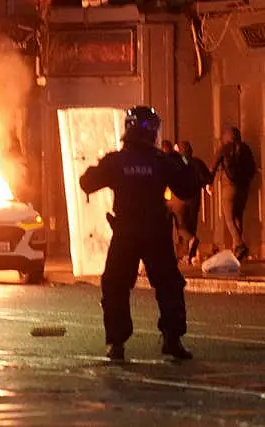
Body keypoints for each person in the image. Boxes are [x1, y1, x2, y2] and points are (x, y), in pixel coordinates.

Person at [79, 106, 198, 361]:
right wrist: (184, 161)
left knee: (115, 285)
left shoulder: (116, 161)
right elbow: (188, 188)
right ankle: (172, 338)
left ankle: (116, 343)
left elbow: (86, 182)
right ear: (153, 131)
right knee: (168, 285)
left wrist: (100, 166)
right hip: (156, 232)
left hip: (126, 232)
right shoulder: (162, 161)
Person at [210, 126, 256, 261]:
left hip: (229, 187)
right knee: (238, 216)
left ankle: (239, 243)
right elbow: (252, 168)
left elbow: (213, 166)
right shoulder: (245, 149)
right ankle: (237, 250)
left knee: (229, 218)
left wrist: (209, 183)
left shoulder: (224, 149)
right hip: (244, 187)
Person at [173, 141, 213, 263]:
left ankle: (189, 247)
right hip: (194, 198)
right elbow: (207, 178)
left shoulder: (176, 163)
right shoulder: (197, 162)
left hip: (180, 199)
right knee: (192, 225)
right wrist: (207, 186)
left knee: (181, 227)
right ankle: (191, 254)